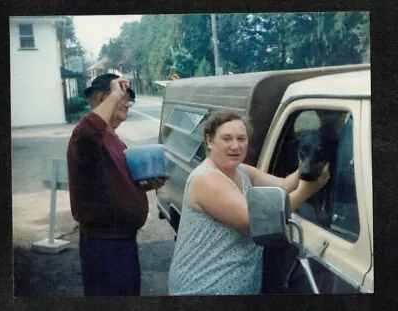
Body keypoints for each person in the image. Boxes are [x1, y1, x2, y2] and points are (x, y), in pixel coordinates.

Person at [168, 110, 330, 295]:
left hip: (237, 283)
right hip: (204, 285)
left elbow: (283, 186)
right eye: (227, 139)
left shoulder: (241, 171)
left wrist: (307, 160)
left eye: (241, 139)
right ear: (209, 141)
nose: (235, 146)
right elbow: (256, 221)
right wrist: (306, 191)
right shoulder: (206, 179)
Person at [67, 73, 166, 296]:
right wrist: (114, 95)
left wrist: (145, 185)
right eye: (124, 99)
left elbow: (111, 183)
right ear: (104, 98)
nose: (128, 106)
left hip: (122, 242)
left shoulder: (113, 138)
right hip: (104, 246)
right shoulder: (88, 137)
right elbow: (87, 130)